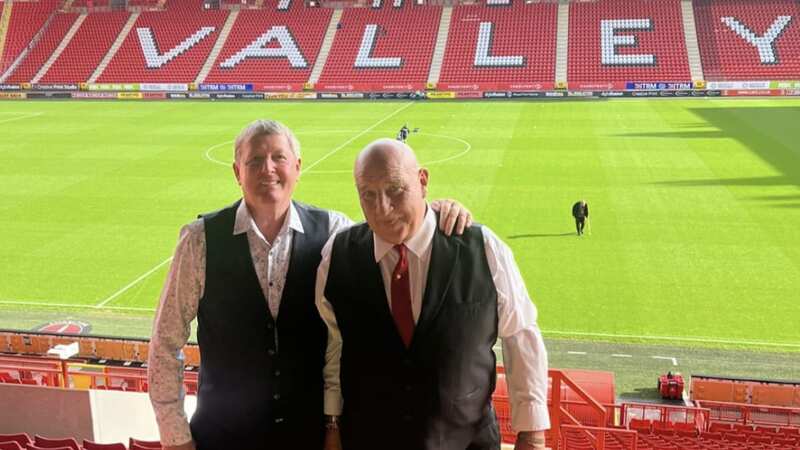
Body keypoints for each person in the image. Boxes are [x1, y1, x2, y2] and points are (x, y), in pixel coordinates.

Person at [148, 120, 473, 450]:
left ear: (298, 167)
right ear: (237, 172)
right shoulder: (199, 240)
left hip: (311, 436)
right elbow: (164, 341)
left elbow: (390, 227)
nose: (268, 169)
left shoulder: (334, 232)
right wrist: (175, 438)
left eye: (279, 158)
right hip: (222, 437)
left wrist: (434, 209)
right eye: (254, 161)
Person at [316, 139, 550, 450]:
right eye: (368, 195)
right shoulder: (338, 255)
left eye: (395, 190)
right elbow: (334, 346)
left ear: (423, 181)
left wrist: (532, 433)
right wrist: (332, 423)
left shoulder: (483, 248)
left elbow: (521, 335)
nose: (382, 209)